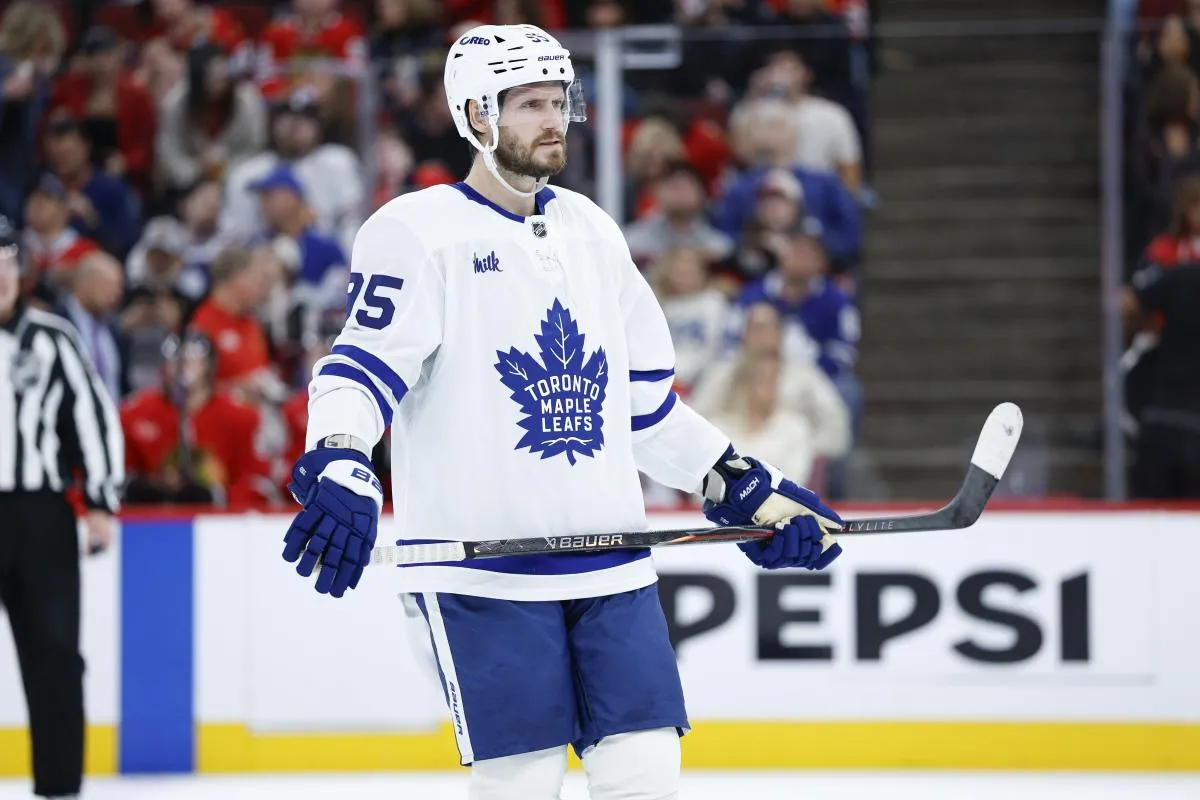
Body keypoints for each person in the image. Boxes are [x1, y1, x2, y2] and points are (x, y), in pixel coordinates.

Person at [280, 24, 844, 800]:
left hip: (611, 563)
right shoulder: (415, 232)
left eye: (559, 101)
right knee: (522, 782)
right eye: (529, 104)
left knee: (646, 773)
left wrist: (742, 483)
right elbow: (358, 368)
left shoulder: (592, 231)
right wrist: (342, 457)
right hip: (483, 573)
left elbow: (644, 411)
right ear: (477, 116)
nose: (555, 119)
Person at [0, 217, 123, 800]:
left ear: (19, 271)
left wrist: (99, 502)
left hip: (39, 515)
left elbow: (93, 420)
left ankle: (58, 787)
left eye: (6, 262)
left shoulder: (52, 338)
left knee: (53, 653)